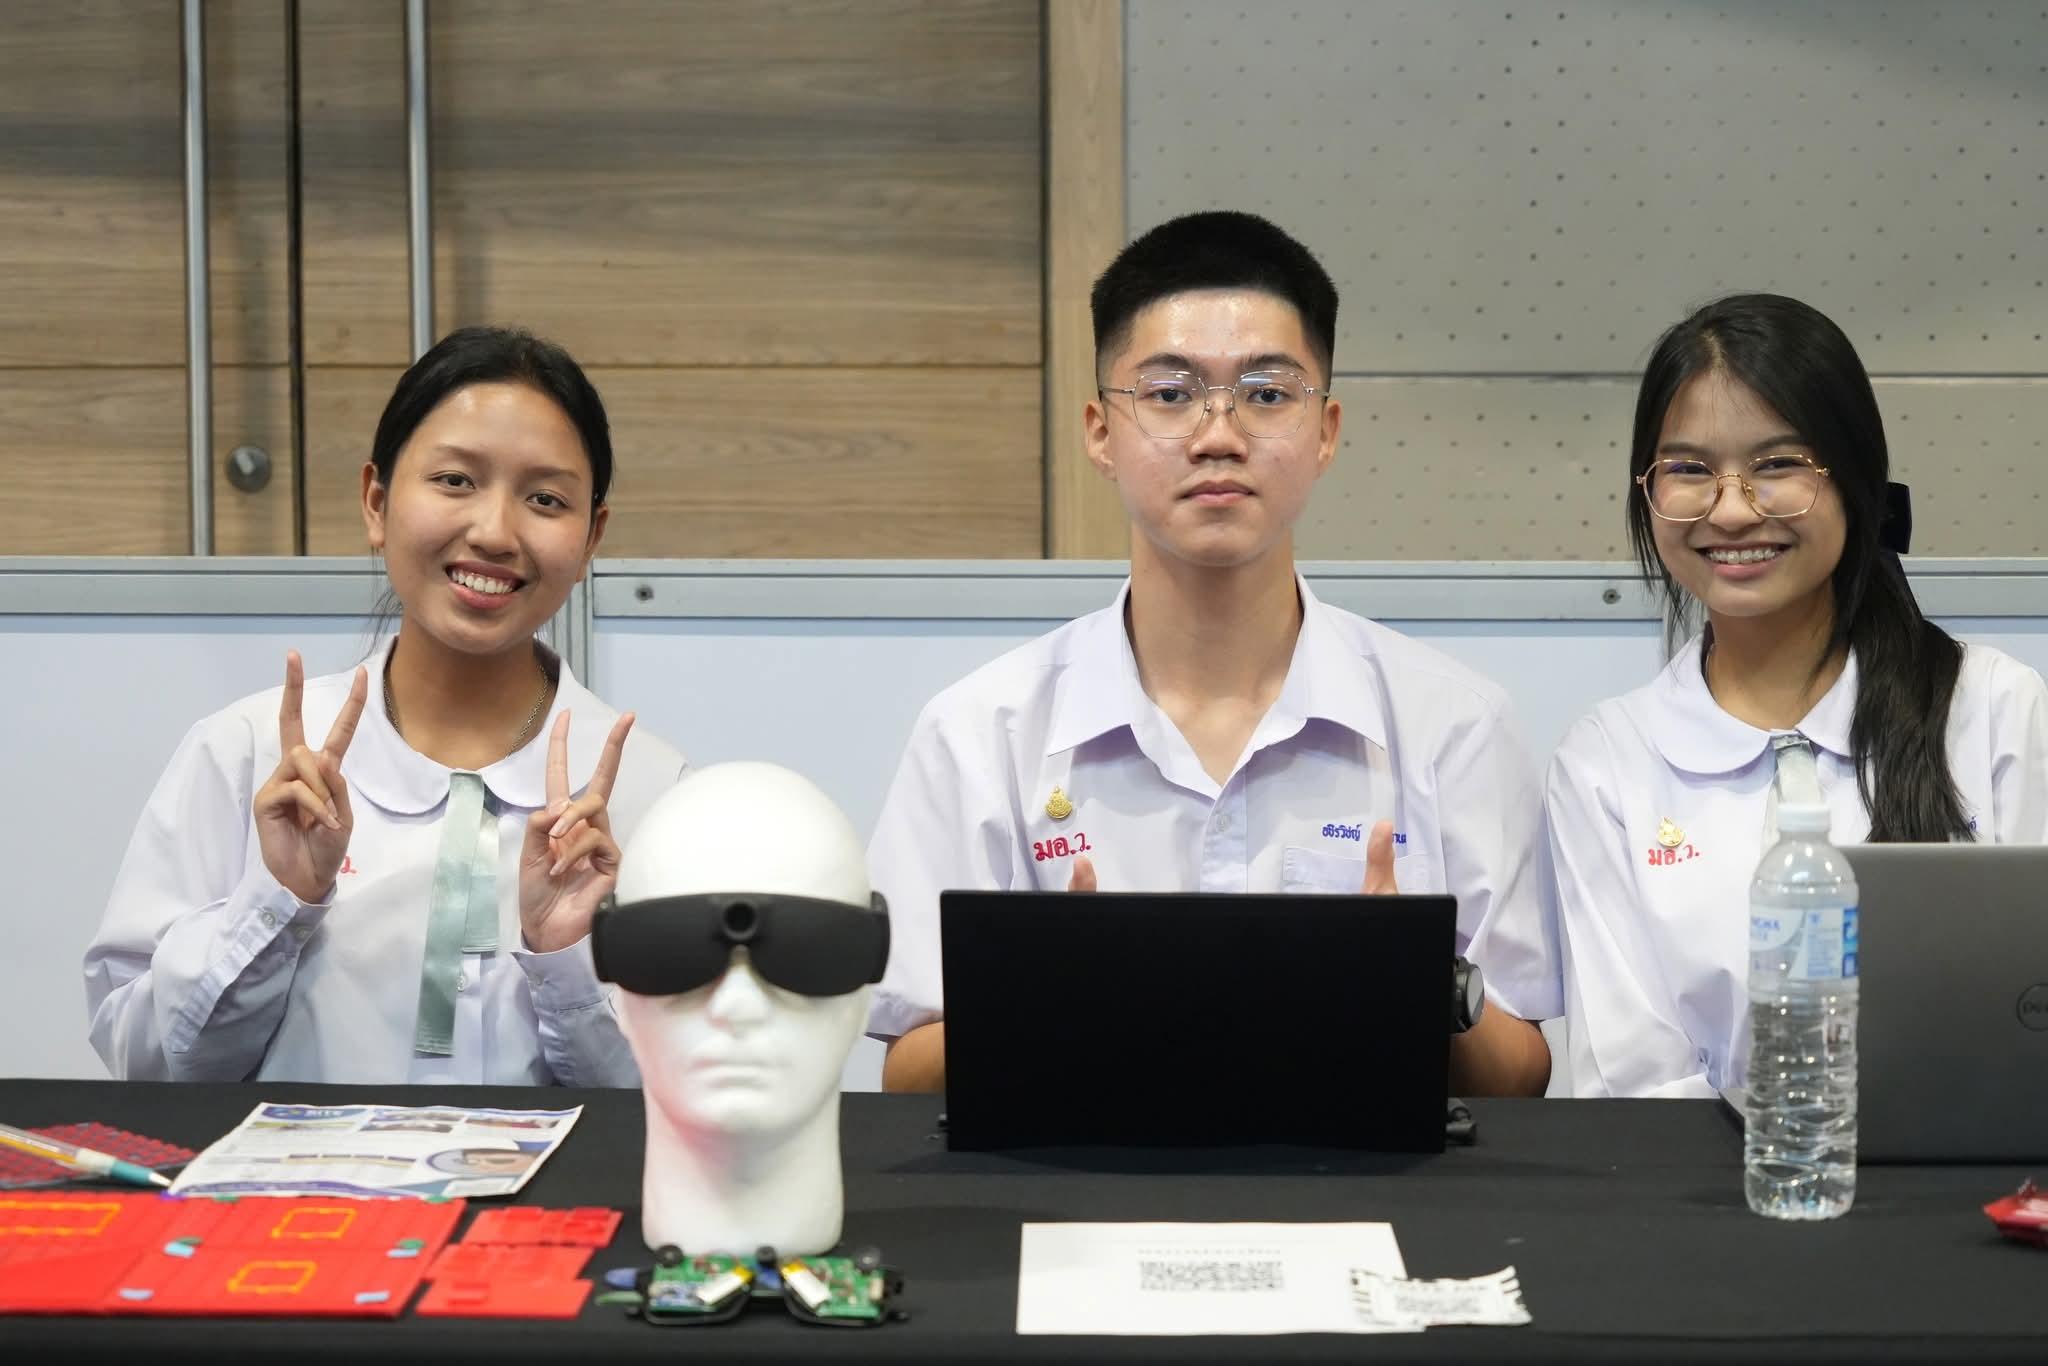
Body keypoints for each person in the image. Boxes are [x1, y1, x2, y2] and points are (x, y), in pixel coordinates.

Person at [866, 210, 1554, 1096]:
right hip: (1076, 1179)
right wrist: (1044, 991)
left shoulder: (1453, 723)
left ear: (1326, 430)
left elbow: (1522, 1078)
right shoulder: (979, 732)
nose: (1218, 434)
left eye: (1267, 394)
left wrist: (1422, 979)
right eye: (1169, 393)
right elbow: (906, 1077)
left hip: (1373, 1180)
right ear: (1100, 432)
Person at [85, 326, 687, 1085]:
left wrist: (568, 956)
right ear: (377, 501)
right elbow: (145, 1065)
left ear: (591, 536)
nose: (494, 533)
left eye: (545, 498)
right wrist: (276, 902)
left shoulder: (656, 795)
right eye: (455, 481)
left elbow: (681, 1104)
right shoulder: (246, 754)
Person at [1497, 293, 2048, 1097]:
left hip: (1967, 1168)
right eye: (1689, 470)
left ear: (1854, 478)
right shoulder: (1608, 760)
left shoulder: (1993, 709)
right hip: (1693, 1175)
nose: (1731, 510)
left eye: (1778, 464)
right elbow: (1632, 1079)